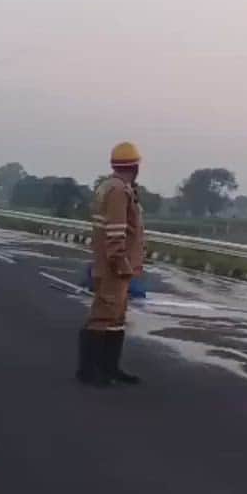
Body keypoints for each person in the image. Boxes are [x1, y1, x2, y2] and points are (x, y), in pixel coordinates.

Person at [77, 142, 146, 386]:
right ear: (134, 166)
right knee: (102, 316)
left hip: (112, 264)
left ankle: (109, 367)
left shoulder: (110, 186)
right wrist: (121, 263)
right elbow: (116, 233)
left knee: (116, 319)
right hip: (113, 266)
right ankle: (89, 371)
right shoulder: (118, 191)